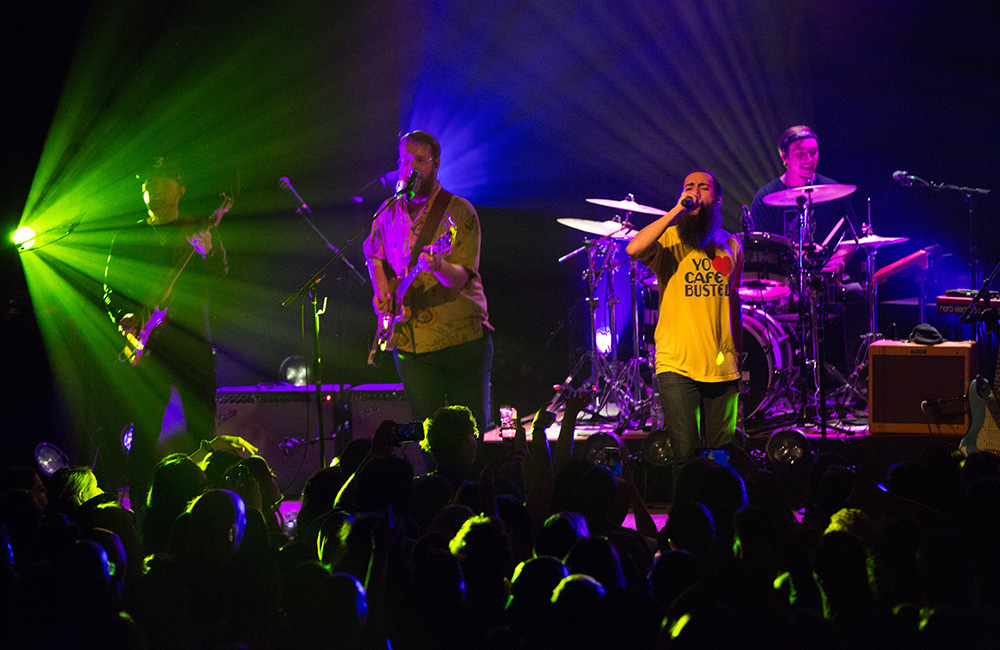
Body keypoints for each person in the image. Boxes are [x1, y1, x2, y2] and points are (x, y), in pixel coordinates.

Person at [103, 156, 229, 511]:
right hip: (147, 348)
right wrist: (125, 316)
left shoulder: (199, 230)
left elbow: (222, 282)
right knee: (143, 436)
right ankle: (143, 513)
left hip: (192, 343)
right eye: (149, 188)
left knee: (203, 431)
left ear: (180, 190)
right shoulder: (128, 234)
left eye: (163, 186)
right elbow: (111, 286)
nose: (156, 193)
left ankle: (211, 507)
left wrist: (209, 255)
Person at [363, 130, 493, 430]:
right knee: (426, 431)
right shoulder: (386, 213)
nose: (411, 166)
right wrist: (382, 292)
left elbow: (459, 279)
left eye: (419, 160)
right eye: (405, 160)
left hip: (459, 337)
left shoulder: (458, 210)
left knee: (470, 431)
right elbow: (373, 253)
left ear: (435, 164)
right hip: (410, 341)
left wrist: (437, 265)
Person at [625, 170, 743, 464]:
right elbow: (634, 248)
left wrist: (736, 351)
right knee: (685, 457)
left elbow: (734, 300)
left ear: (717, 198)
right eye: (689, 187)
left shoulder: (732, 245)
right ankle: (687, 511)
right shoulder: (669, 239)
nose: (696, 191)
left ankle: (721, 511)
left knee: (720, 460)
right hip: (676, 364)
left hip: (721, 366)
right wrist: (677, 210)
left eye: (704, 187)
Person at [748, 125, 857, 243]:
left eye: (813, 152)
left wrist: (838, 260)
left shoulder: (835, 191)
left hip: (828, 262)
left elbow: (852, 241)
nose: (809, 159)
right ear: (784, 157)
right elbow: (758, 249)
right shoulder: (764, 197)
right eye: (800, 154)